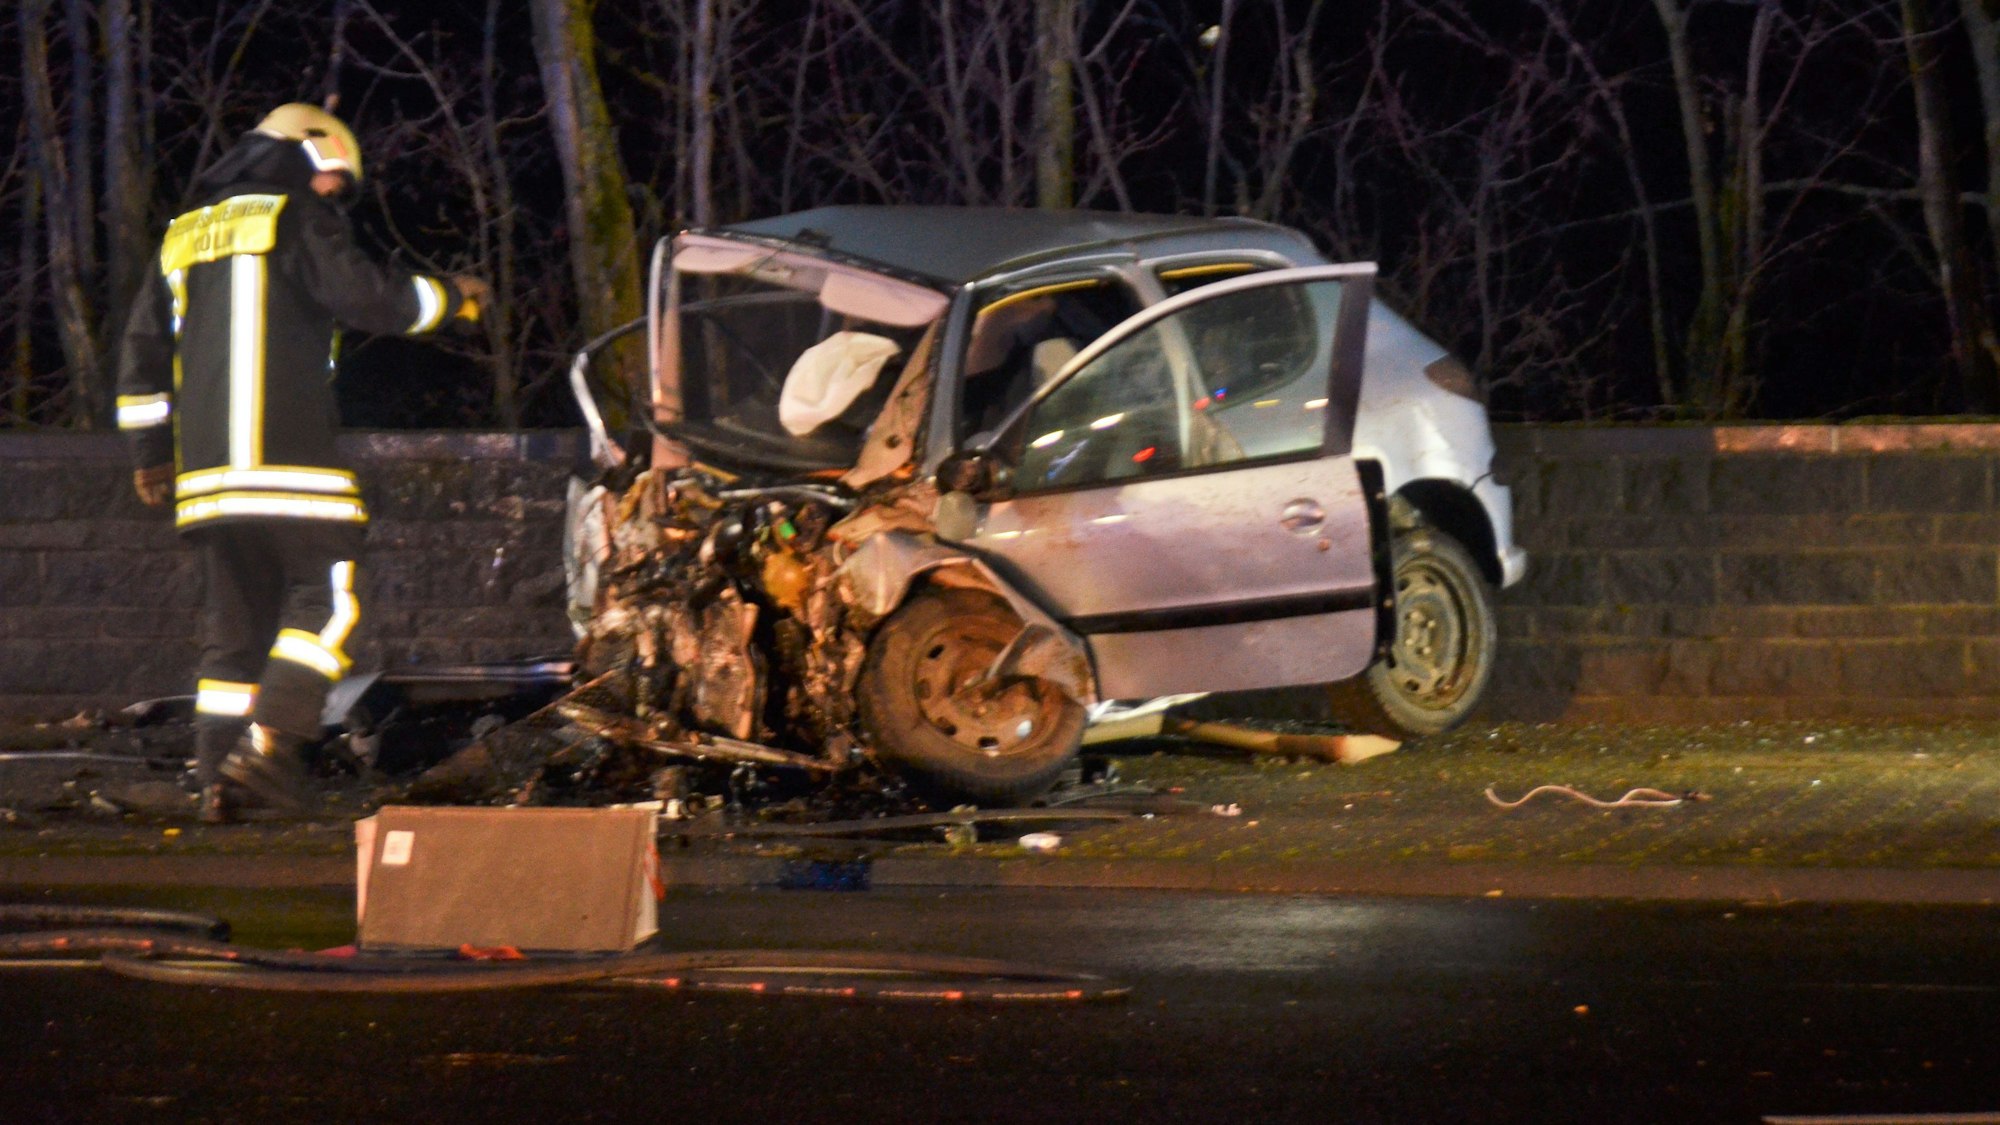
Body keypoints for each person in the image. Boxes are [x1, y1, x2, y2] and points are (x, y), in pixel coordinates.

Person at [115, 103, 490, 823]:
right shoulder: (292, 216)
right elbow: (368, 296)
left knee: (235, 638)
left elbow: (140, 357)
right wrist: (452, 299)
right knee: (332, 600)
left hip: (206, 484)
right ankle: (274, 748)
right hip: (289, 466)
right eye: (331, 180)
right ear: (302, 155)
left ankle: (216, 783)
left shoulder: (184, 235)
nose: (332, 197)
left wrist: (149, 454)